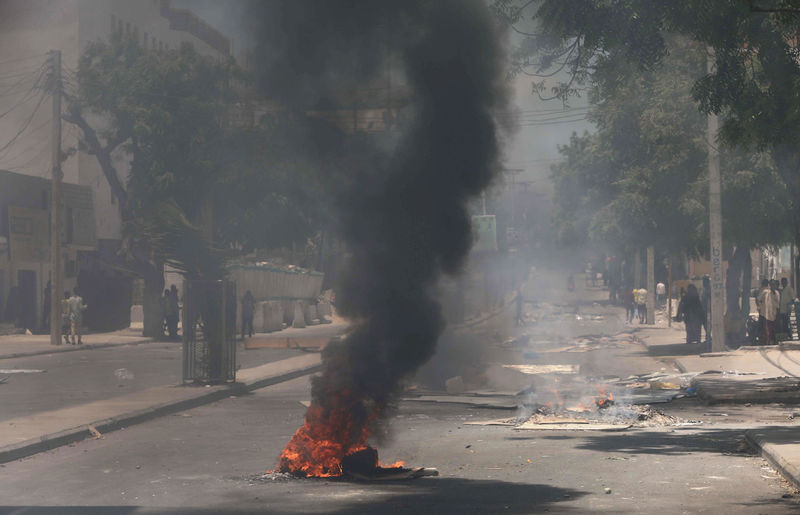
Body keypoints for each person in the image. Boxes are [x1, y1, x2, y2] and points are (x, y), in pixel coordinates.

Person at [758, 280, 781, 345]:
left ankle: (774, 342)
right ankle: (767, 343)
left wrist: (778, 313)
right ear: (769, 285)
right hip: (766, 314)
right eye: (771, 285)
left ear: (776, 285)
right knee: (767, 330)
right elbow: (759, 300)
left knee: (774, 329)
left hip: (774, 313)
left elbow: (778, 304)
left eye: (774, 284)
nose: (773, 286)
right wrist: (760, 308)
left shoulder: (777, 293)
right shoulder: (765, 292)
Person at [756, 278, 770, 343]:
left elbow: (758, 300)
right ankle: (764, 338)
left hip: (763, 310)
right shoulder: (766, 290)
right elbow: (759, 300)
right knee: (765, 325)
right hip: (765, 311)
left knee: (763, 325)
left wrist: (759, 307)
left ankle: (763, 338)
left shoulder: (763, 290)